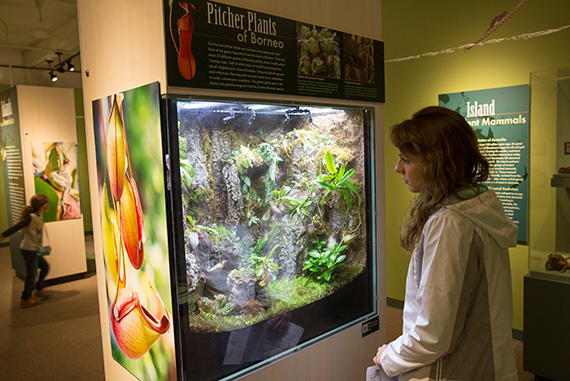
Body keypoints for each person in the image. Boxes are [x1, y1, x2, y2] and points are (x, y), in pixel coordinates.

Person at [373, 106, 518, 380]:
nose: (397, 168)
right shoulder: (476, 206)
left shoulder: (450, 224)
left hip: (457, 368)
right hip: (484, 359)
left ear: (436, 162)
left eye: (406, 159)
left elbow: (434, 335)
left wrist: (389, 355)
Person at [0, 194, 52, 308]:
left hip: (35, 249)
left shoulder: (39, 215)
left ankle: (39, 289)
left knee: (45, 267)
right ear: (42, 205)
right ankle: (25, 298)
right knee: (31, 275)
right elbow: (18, 226)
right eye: (46, 203)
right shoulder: (31, 217)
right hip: (29, 250)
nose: (48, 205)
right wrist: (3, 235)